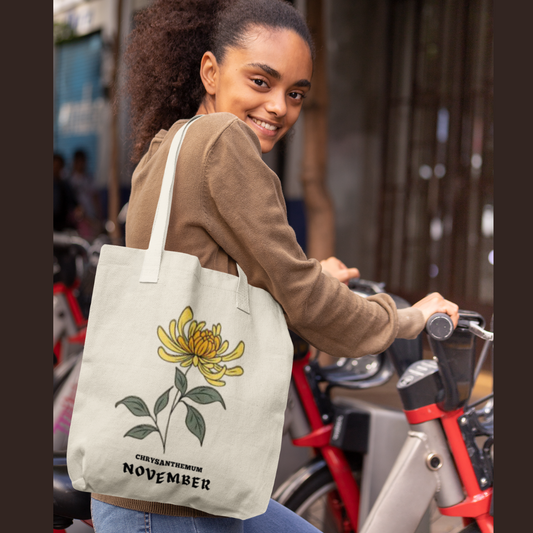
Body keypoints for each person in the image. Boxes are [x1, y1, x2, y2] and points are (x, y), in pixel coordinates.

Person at [90, 1, 459, 531]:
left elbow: (214, 282)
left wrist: (307, 278)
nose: (279, 107)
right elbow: (303, 296)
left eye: (295, 93)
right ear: (210, 71)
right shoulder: (225, 142)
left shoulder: (165, 148)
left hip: (156, 482)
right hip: (175, 500)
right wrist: (406, 317)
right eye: (260, 81)